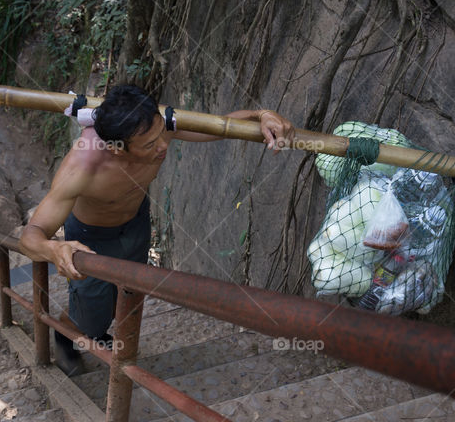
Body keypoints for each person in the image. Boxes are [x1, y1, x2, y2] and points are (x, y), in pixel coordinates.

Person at [19, 84, 295, 375]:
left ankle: (99, 331)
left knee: (129, 293)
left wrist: (260, 114)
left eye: (162, 134)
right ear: (116, 147)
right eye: (150, 145)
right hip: (91, 238)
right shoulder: (83, 166)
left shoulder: (153, 126)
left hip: (136, 223)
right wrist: (54, 248)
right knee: (91, 316)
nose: (162, 146)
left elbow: (221, 126)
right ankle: (66, 335)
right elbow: (30, 234)